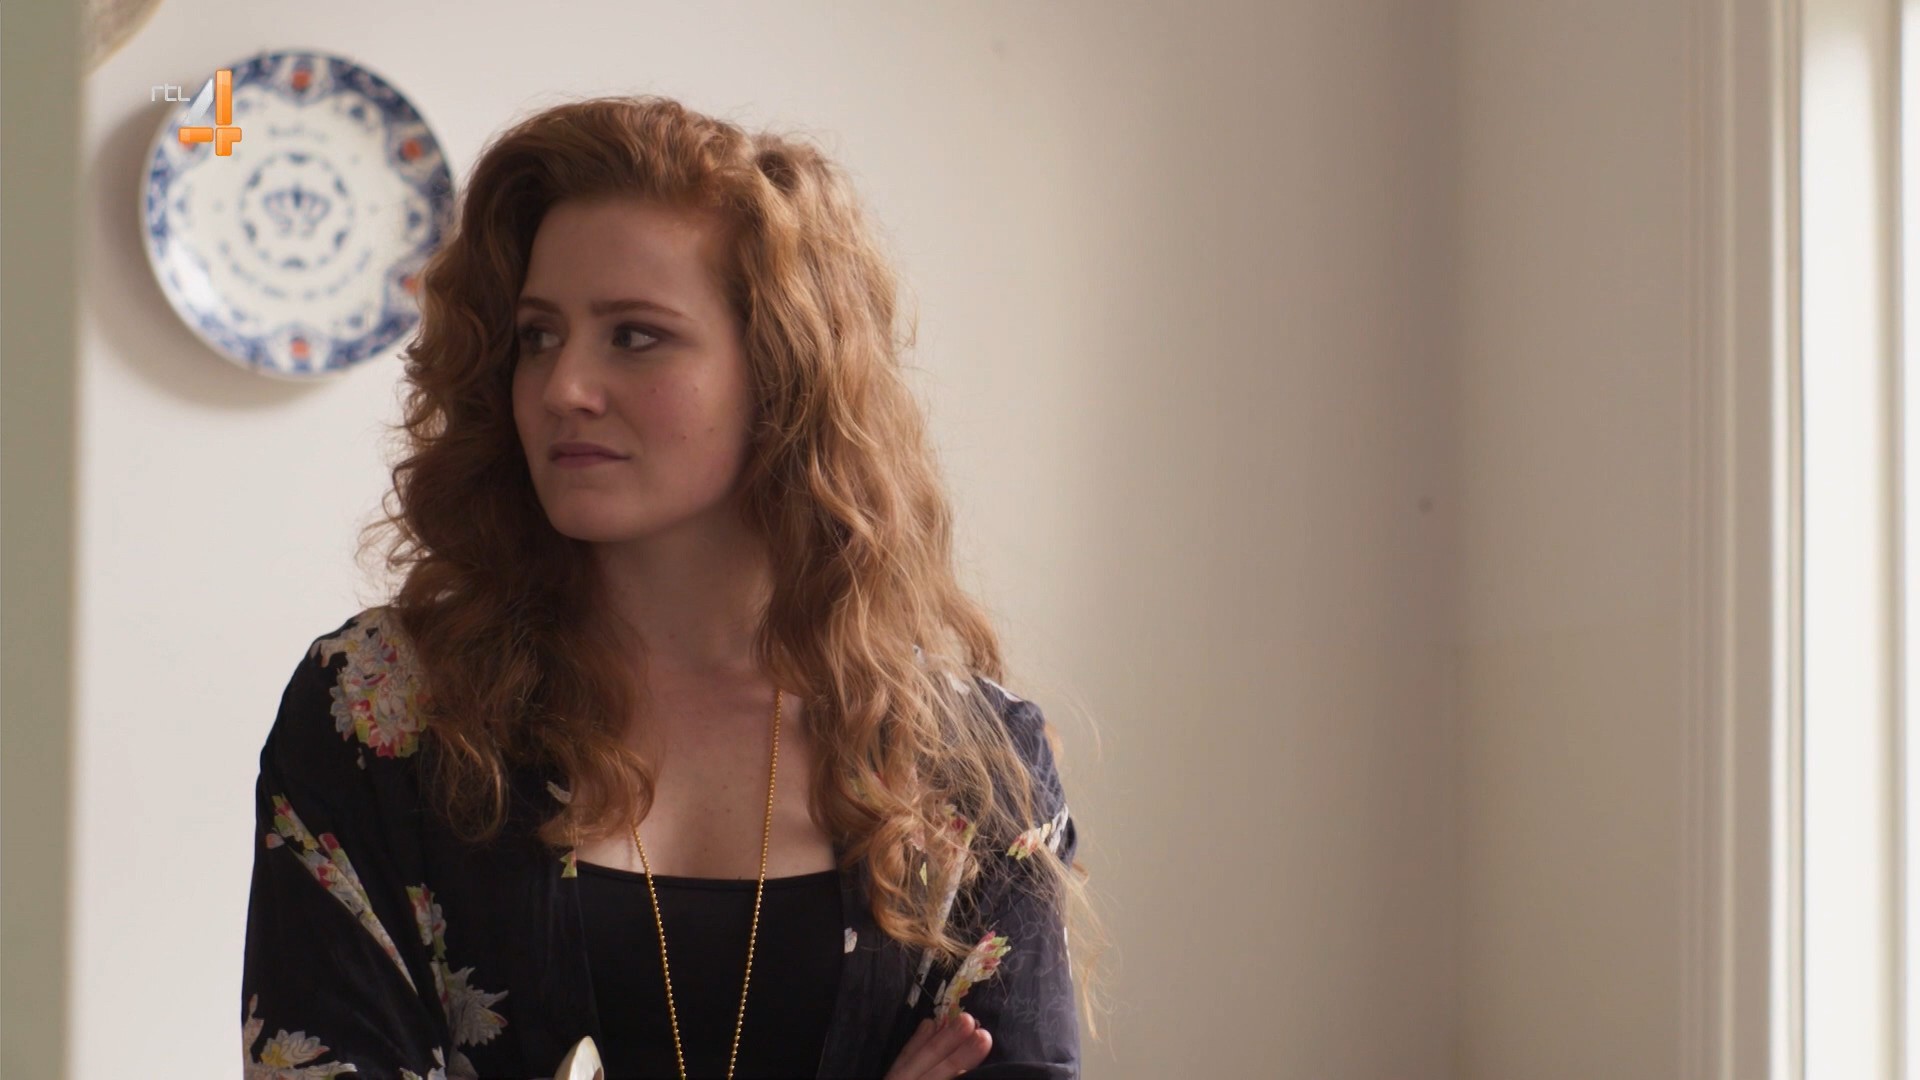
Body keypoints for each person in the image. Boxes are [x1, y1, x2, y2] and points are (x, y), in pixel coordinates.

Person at [240, 94, 1106, 1080]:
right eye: (537, 336)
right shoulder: (379, 711)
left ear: (782, 372)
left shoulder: (971, 767)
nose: (564, 386)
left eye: (634, 336)